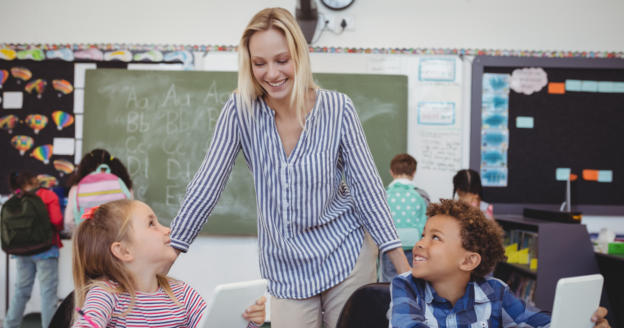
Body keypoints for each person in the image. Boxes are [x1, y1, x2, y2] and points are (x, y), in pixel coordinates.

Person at [168, 7, 410, 328]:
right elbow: (207, 185)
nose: (271, 73)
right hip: (285, 267)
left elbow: (367, 191)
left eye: (282, 60)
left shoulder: (338, 109)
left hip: (345, 253)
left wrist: (405, 275)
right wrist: (165, 261)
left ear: (300, 55)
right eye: (259, 63)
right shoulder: (241, 111)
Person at [389, 199, 610, 328]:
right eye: (423, 234)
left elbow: (541, 324)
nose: (419, 243)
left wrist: (583, 323)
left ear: (468, 261)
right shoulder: (406, 286)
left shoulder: (495, 292)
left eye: (435, 237)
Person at [71, 200, 266, 327]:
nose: (167, 229)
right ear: (123, 251)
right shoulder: (106, 294)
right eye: (151, 224)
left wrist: (249, 320)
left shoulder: (182, 294)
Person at [4, 172, 64, 328]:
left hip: (22, 251)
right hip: (46, 249)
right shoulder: (48, 195)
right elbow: (58, 221)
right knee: (48, 293)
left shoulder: (14, 199)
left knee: (21, 291)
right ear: (33, 180)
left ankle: (10, 325)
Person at [380, 154, 430, 283]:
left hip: (389, 246)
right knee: (416, 281)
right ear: (414, 173)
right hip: (416, 247)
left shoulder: (383, 194)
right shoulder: (422, 194)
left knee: (389, 283)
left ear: (391, 172)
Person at [65, 149, 134, 232]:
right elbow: (131, 215)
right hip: (116, 236)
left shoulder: (76, 187)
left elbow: (68, 220)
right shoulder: (124, 185)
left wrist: (80, 233)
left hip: (88, 238)